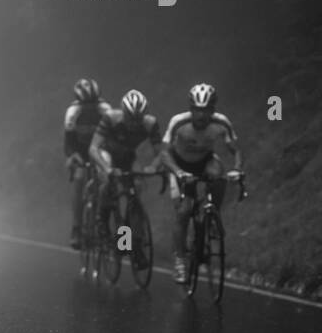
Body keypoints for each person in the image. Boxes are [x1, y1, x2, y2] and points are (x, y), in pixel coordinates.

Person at [160, 83, 245, 283]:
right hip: (180, 165)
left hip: (205, 160)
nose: (201, 115)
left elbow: (236, 149)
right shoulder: (179, 122)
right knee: (183, 212)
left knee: (219, 174)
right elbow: (164, 153)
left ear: (213, 109)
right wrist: (178, 172)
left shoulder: (221, 123)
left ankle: (213, 213)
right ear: (191, 108)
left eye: (206, 110)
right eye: (197, 109)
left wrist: (239, 168)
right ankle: (180, 261)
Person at [88, 89, 164, 255]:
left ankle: (130, 242)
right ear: (123, 113)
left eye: (138, 119)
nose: (134, 123)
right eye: (130, 118)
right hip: (106, 152)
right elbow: (93, 148)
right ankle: (102, 220)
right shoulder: (111, 118)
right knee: (107, 180)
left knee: (135, 191)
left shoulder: (150, 124)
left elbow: (161, 153)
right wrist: (106, 168)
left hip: (128, 156)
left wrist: (153, 166)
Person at [63, 78, 111, 249]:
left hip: (99, 149)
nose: (90, 107)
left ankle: (104, 222)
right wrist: (73, 155)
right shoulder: (73, 112)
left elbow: (112, 138)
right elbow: (68, 143)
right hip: (81, 151)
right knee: (79, 177)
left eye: (93, 103)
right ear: (79, 102)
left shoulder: (105, 110)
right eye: (86, 104)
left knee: (108, 177)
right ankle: (76, 228)